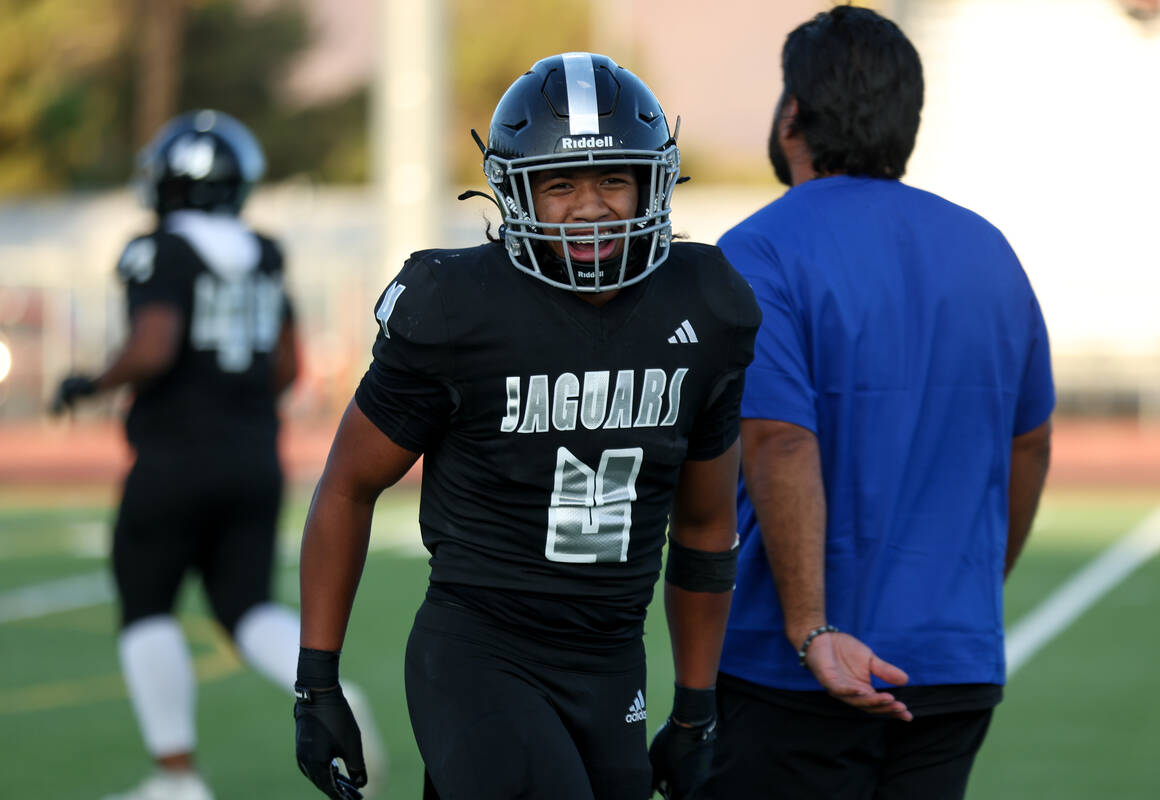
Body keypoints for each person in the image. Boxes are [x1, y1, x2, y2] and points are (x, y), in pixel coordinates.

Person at [291, 52, 761, 800]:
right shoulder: (457, 306)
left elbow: (706, 527)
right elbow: (347, 486)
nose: (592, 206)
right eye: (560, 183)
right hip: (481, 652)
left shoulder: (706, 305)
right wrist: (317, 680)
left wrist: (697, 709)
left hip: (612, 660)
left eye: (613, 179)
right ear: (517, 193)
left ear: (653, 181)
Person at [701, 6, 1056, 800]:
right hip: (953, 664)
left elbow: (779, 442)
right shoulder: (990, 249)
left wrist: (810, 628)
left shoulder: (758, 248)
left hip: (794, 667)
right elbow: (1029, 443)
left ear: (794, 113)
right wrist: (966, 592)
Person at [51, 109, 384, 800]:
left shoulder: (160, 250)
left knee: (147, 608)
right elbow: (289, 365)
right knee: (247, 606)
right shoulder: (263, 250)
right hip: (254, 457)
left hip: (174, 459)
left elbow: (154, 344)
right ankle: (334, 688)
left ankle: (177, 779)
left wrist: (90, 383)